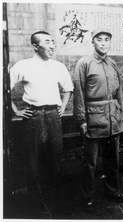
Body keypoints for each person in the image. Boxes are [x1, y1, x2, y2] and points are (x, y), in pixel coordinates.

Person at [10, 31, 73, 196]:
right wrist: (16, 110)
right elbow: (4, 89)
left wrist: (63, 106)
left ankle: (54, 197)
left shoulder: (58, 66)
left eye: (53, 41)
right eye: (47, 42)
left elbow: (68, 89)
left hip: (53, 115)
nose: (52, 45)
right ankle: (35, 198)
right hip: (33, 116)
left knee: (55, 155)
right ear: (35, 46)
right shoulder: (23, 65)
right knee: (33, 158)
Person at [73, 27, 123, 206]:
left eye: (106, 40)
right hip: (93, 119)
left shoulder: (112, 64)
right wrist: (81, 119)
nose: (103, 43)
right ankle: (87, 197)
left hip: (113, 119)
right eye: (99, 39)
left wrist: (120, 113)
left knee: (113, 160)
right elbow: (79, 92)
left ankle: (112, 190)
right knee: (90, 163)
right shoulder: (84, 63)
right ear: (93, 41)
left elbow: (119, 91)